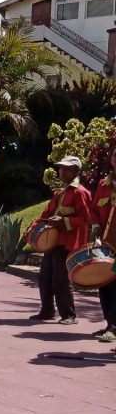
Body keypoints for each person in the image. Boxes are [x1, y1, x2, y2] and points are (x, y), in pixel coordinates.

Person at [30, 156, 91, 324]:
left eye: (67, 168)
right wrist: (34, 227)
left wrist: (64, 222)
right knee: (44, 277)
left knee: (60, 279)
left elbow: (86, 220)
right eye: (61, 168)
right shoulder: (59, 192)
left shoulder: (80, 192)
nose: (62, 171)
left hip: (67, 243)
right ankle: (47, 310)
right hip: (52, 241)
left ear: (77, 171)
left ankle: (68, 315)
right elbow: (46, 214)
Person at [89, 146, 116, 342]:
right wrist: (96, 227)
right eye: (115, 155)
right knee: (103, 283)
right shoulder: (103, 184)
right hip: (106, 243)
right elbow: (94, 210)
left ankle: (114, 327)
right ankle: (109, 322)